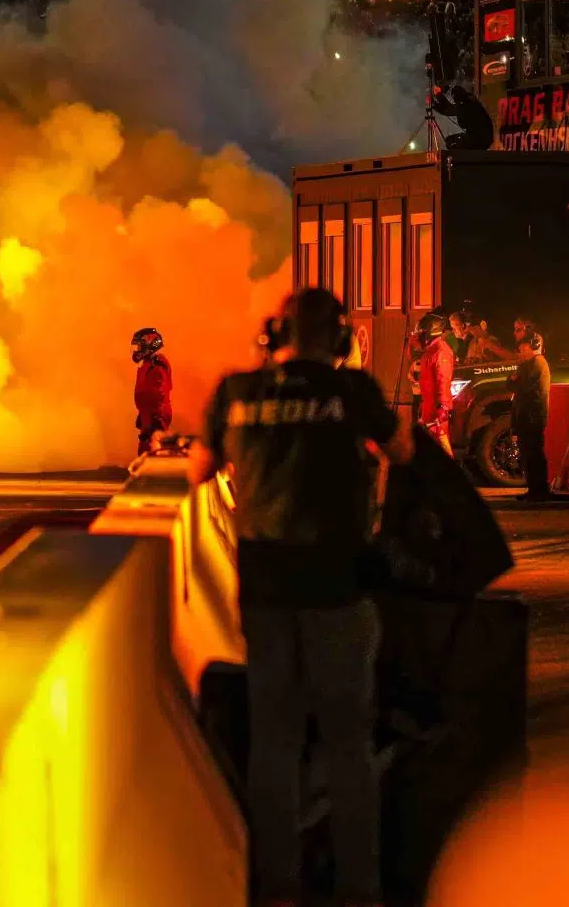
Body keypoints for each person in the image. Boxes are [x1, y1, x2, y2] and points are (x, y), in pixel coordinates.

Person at [189, 288, 414, 907]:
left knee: (276, 742)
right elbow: (401, 449)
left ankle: (275, 886)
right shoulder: (352, 392)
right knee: (348, 742)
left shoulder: (236, 392)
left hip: (264, 592)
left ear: (272, 334)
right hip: (339, 589)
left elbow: (198, 472)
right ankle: (358, 889)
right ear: (339, 340)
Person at [509, 330, 551, 501]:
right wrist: (514, 379)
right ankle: (534, 489)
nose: (521, 351)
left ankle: (539, 489)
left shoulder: (536, 363)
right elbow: (510, 384)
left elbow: (521, 386)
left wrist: (515, 379)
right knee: (528, 453)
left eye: (524, 347)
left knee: (534, 453)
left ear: (534, 345)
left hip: (532, 417)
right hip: (527, 415)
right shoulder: (528, 364)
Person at [131, 326, 173, 455]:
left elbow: (160, 395)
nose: (137, 350)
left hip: (154, 422)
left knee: (152, 457)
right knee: (145, 455)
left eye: (139, 346)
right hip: (148, 420)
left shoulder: (157, 365)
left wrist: (156, 422)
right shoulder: (148, 364)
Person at [417, 313, 456, 450]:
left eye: (421, 333)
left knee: (442, 449)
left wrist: (443, 409)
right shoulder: (431, 351)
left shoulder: (440, 352)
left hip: (437, 412)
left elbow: (443, 381)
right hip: (429, 409)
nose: (418, 337)